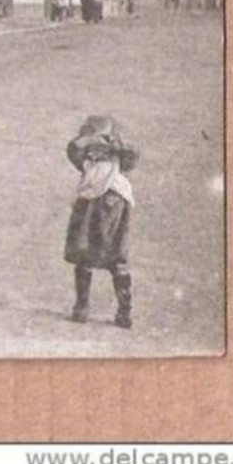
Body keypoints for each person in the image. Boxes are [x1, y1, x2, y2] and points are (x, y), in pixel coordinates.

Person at [63, 114, 139, 328]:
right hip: (92, 204)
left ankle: (121, 311)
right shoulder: (85, 158)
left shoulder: (118, 162)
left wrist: (115, 143)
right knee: (85, 254)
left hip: (110, 204)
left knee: (112, 257)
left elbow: (131, 156)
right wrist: (93, 138)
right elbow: (74, 148)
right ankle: (83, 307)